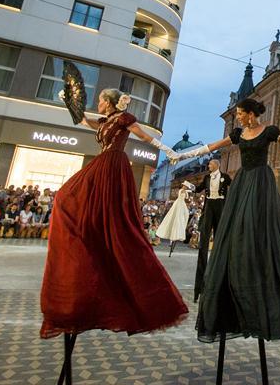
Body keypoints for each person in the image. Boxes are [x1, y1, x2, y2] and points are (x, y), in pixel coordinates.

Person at [171, 97, 280, 344]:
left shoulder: (269, 131)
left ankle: (264, 272)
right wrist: (182, 156)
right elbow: (212, 146)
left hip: (261, 182)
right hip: (243, 181)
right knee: (236, 226)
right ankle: (238, 274)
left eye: (240, 113)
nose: (238, 117)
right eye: (236, 114)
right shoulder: (238, 134)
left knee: (260, 225)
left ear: (251, 113)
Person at [40, 88, 187, 340]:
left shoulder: (123, 119)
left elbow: (143, 135)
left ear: (109, 102)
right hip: (102, 163)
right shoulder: (104, 121)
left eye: (100, 100)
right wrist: (69, 101)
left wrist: (168, 150)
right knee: (65, 197)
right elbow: (83, 120)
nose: (98, 103)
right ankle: (87, 238)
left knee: (83, 202)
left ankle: (104, 240)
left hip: (113, 165)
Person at [194, 158, 231, 302]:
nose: (208, 165)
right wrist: (187, 187)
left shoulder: (225, 177)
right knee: (204, 236)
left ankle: (217, 260)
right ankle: (202, 266)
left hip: (221, 205)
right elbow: (199, 189)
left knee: (219, 235)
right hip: (209, 205)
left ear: (216, 165)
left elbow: (234, 187)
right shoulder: (207, 177)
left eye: (210, 164)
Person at [155, 181, 193, 256]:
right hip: (178, 203)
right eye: (185, 186)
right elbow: (183, 194)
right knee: (176, 216)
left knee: (186, 214)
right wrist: (188, 191)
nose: (185, 187)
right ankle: (171, 240)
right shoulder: (181, 190)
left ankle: (179, 230)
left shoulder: (185, 191)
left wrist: (189, 192)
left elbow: (187, 198)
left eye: (186, 186)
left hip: (182, 204)